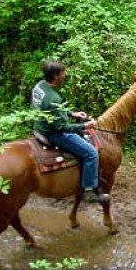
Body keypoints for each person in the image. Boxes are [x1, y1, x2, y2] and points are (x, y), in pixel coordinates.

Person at [31, 60, 106, 203]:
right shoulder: (53, 97)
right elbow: (61, 127)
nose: (65, 75)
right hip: (53, 133)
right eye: (62, 73)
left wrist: (73, 114)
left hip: (40, 125)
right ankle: (90, 190)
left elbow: (52, 110)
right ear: (55, 76)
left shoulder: (40, 86)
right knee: (91, 153)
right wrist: (86, 126)